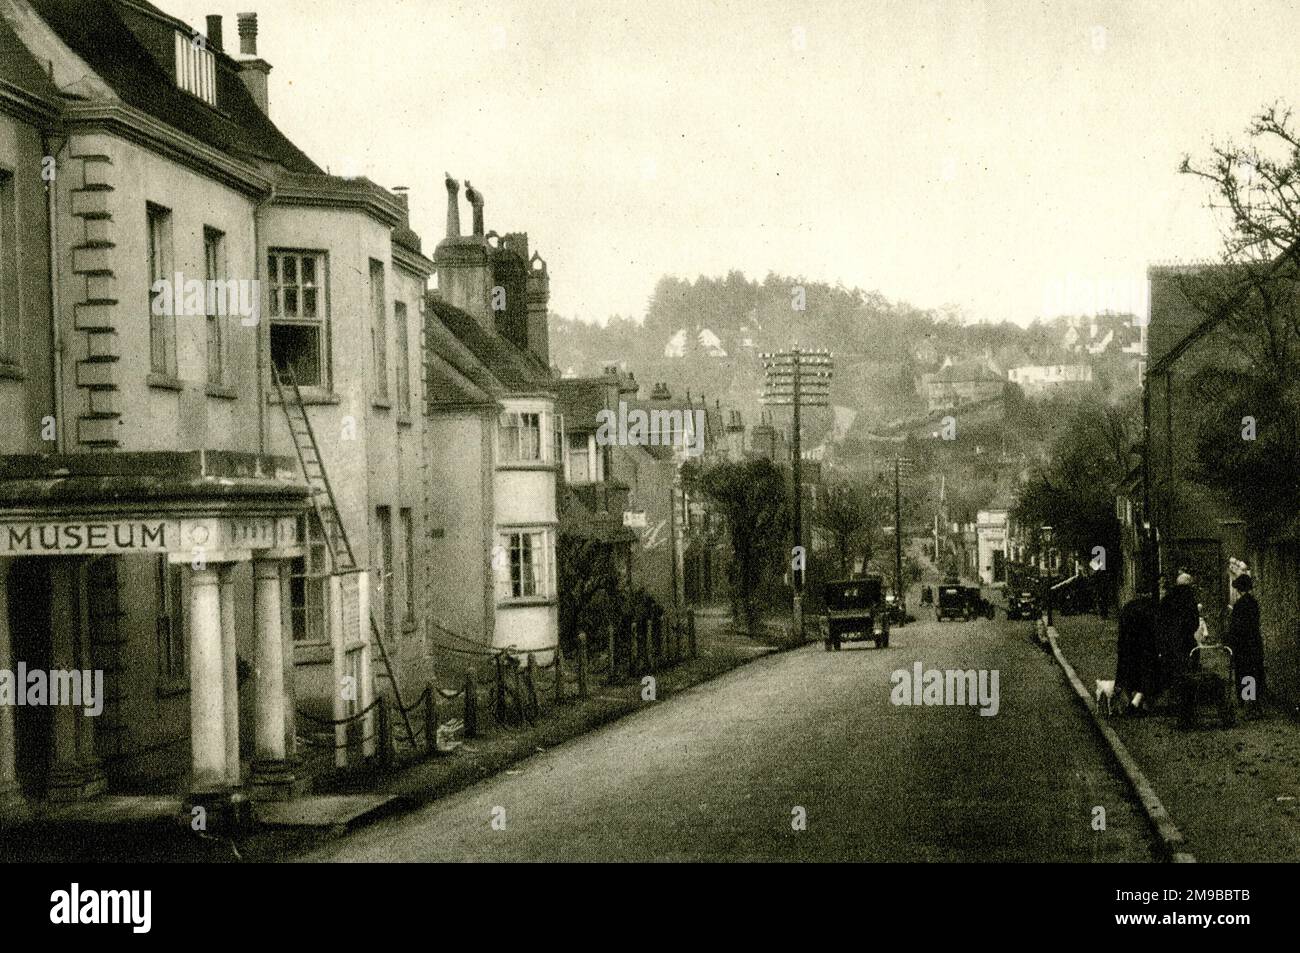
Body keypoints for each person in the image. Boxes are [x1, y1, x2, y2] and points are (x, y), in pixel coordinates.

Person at [1157, 570, 1200, 701]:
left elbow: (1160, 620)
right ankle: (1186, 695)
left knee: (1172, 667)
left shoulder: (1168, 599)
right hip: (1185, 640)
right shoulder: (1190, 599)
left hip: (1170, 641)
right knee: (1187, 667)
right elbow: (1195, 622)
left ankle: (1172, 694)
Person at [1226, 573, 1265, 717]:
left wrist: (1231, 641)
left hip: (1243, 645)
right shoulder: (1253, 603)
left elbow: (1236, 627)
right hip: (1254, 642)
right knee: (1254, 672)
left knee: (1244, 673)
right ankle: (1254, 704)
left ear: (1239, 589)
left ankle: (1249, 706)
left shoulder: (1240, 605)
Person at [1116, 591, 1158, 711]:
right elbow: (1155, 630)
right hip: (1146, 646)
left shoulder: (1128, 607)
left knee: (1130, 671)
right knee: (1147, 671)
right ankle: (1141, 702)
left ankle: (1131, 699)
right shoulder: (1152, 609)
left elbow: (1122, 629)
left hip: (1128, 645)